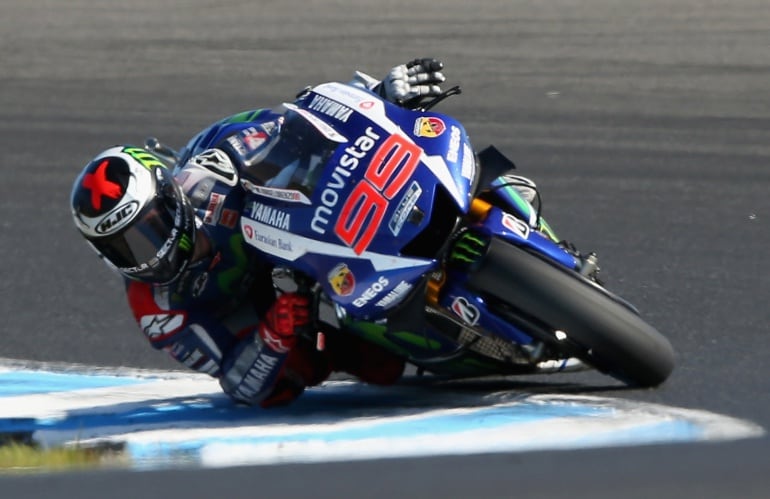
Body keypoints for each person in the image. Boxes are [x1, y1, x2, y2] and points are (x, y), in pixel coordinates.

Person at [69, 59, 454, 407]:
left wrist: (379, 97)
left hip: (294, 233)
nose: (145, 254)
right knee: (343, 372)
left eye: (147, 232)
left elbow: (303, 127)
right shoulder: (157, 308)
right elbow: (238, 384)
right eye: (124, 248)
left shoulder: (213, 167)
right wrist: (273, 335)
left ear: (170, 197)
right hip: (255, 310)